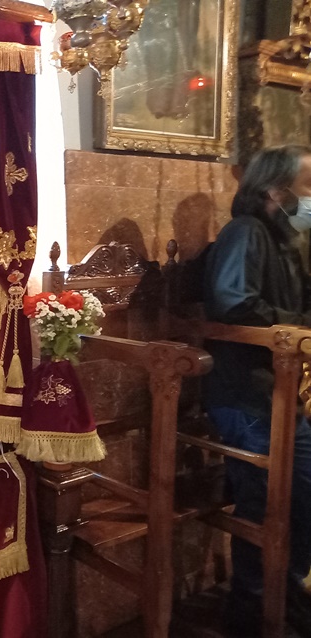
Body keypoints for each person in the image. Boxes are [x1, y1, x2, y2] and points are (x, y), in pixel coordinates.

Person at [204, 145, 311, 637]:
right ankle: (251, 609)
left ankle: (287, 593)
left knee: (302, 494)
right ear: (276, 189)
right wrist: (298, 328)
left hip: (281, 392)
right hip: (246, 394)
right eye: (308, 185)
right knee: (270, 500)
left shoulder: (283, 240)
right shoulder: (246, 232)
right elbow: (232, 303)